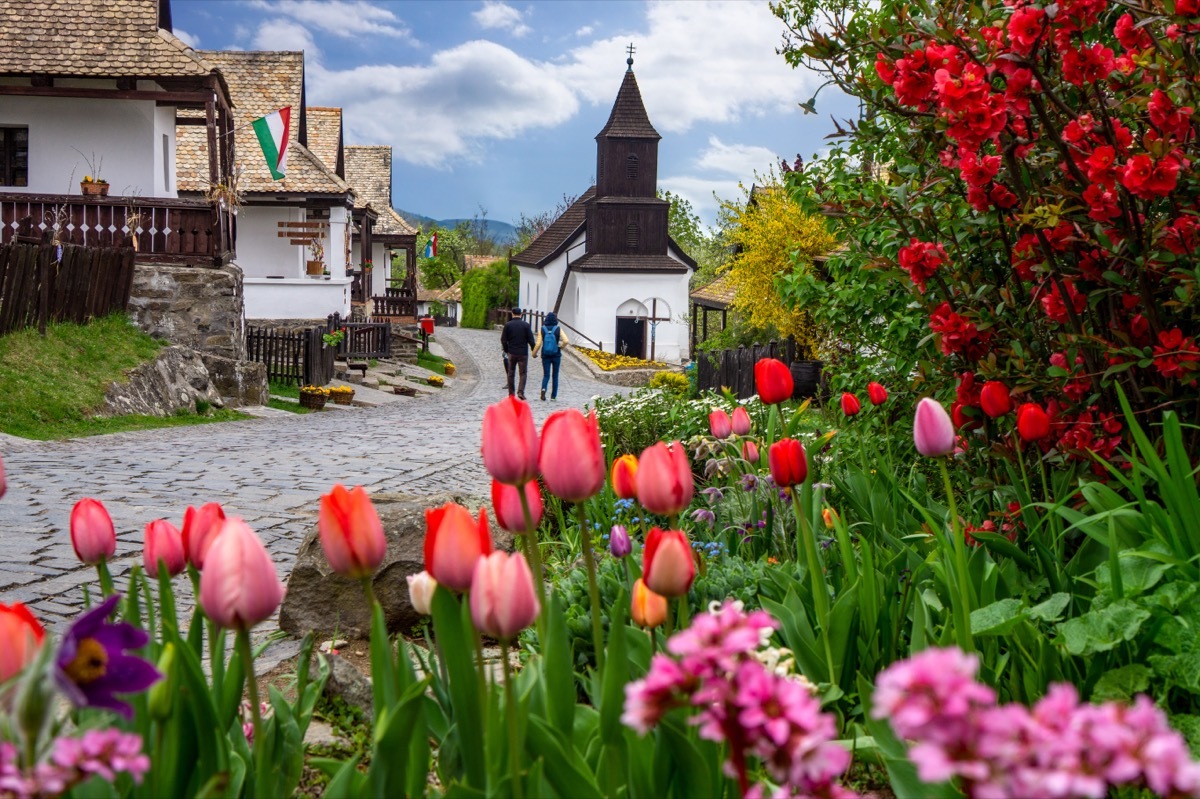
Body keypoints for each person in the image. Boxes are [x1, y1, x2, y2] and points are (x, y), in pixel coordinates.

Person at [500, 306, 537, 400]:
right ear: (521, 314)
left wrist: (506, 350)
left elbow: (503, 340)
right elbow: (531, 340)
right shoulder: (526, 325)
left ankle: (511, 394)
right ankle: (520, 392)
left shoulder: (508, 325)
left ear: (512, 314)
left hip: (511, 353)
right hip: (523, 353)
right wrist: (534, 350)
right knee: (523, 373)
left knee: (511, 373)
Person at [533, 311, 569, 400]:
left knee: (546, 374)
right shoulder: (558, 329)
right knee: (555, 375)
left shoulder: (542, 329)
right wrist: (560, 347)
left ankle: (543, 389)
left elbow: (538, 344)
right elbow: (566, 341)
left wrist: (534, 353)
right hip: (556, 354)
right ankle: (553, 396)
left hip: (545, 355)